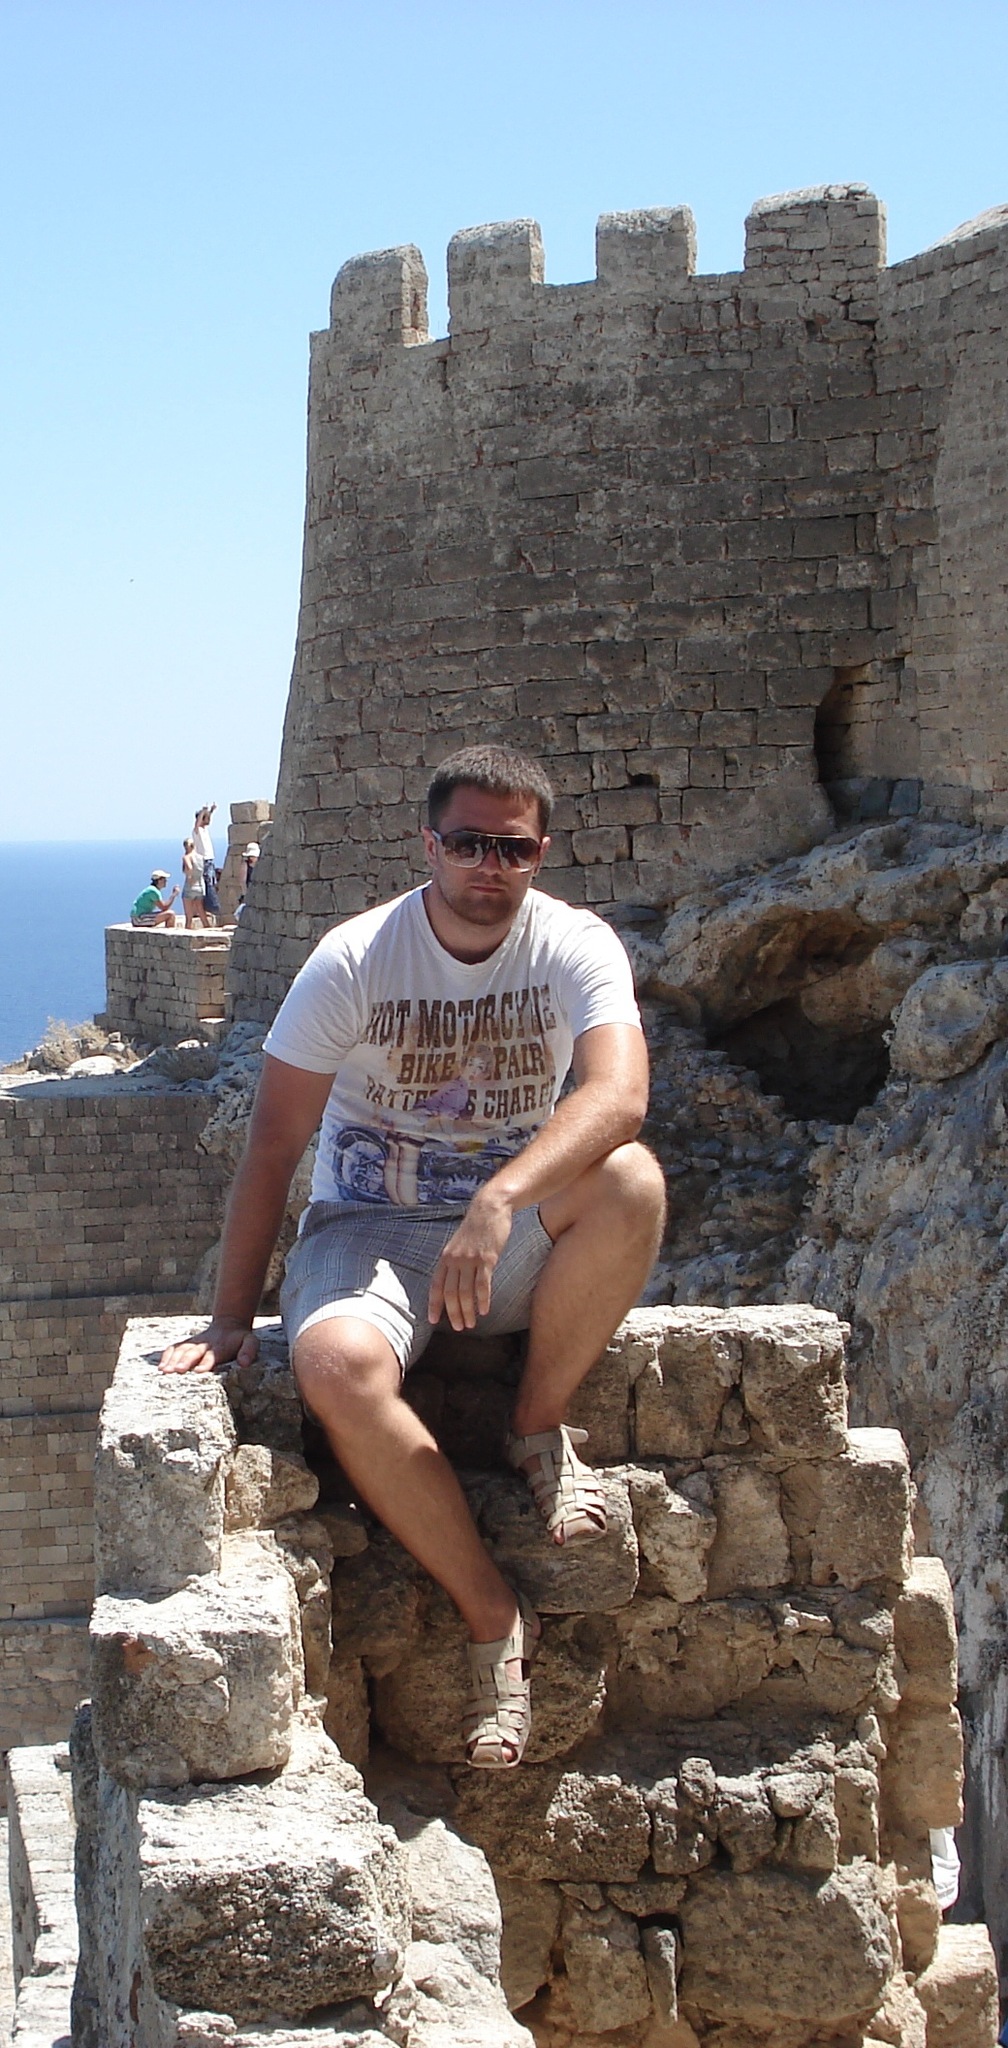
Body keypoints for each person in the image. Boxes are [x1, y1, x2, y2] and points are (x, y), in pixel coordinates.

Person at [160, 745, 666, 1769]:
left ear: (540, 854)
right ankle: (493, 1615)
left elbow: (619, 1098)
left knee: (632, 1180)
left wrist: (500, 1196)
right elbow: (274, 1143)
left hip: (502, 1231)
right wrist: (230, 1317)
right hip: (369, 1227)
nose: (489, 865)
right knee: (334, 1365)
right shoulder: (356, 959)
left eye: (512, 848)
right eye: (469, 843)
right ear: (428, 845)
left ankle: (536, 1431)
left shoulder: (573, 944)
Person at [193, 805, 219, 921]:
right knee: (207, 885)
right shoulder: (197, 831)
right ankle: (210, 907)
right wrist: (203, 811)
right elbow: (198, 822)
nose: (209, 820)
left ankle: (208, 908)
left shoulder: (204, 830)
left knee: (211, 884)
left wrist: (211, 811)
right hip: (204, 861)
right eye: (206, 818)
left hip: (209, 860)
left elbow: (206, 819)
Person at [181, 837, 209, 928]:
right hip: (200, 886)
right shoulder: (200, 857)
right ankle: (207, 927)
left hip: (190, 886)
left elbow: (189, 868)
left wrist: (190, 877)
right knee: (201, 910)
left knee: (189, 916)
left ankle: (187, 931)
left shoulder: (187, 857)